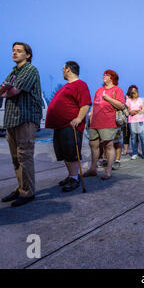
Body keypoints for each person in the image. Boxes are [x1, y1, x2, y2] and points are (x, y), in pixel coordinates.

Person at [0, 42, 42, 207]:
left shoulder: (30, 70)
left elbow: (13, 91)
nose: (14, 53)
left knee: (24, 156)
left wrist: (6, 89)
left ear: (28, 55)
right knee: (15, 158)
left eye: (18, 51)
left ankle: (28, 192)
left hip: (25, 118)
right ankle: (21, 187)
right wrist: (5, 89)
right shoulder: (13, 72)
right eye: (13, 51)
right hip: (11, 119)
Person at [45, 61, 91, 192]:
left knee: (71, 152)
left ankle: (74, 178)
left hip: (71, 125)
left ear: (68, 69)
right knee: (64, 152)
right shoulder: (66, 86)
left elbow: (85, 104)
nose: (62, 71)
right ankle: (71, 175)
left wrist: (78, 118)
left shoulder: (80, 84)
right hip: (60, 126)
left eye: (63, 68)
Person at [85, 70, 125, 180]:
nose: (104, 76)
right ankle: (93, 169)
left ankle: (108, 171)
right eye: (103, 74)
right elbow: (95, 104)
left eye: (107, 75)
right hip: (95, 122)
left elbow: (121, 105)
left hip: (108, 122)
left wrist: (108, 98)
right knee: (93, 144)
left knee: (108, 145)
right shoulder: (99, 90)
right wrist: (91, 115)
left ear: (112, 78)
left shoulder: (117, 90)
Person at [126, 86, 144, 161]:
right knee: (133, 138)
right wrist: (131, 112)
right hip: (132, 121)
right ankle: (134, 153)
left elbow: (142, 109)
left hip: (140, 120)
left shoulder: (140, 100)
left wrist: (137, 111)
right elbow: (126, 110)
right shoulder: (128, 100)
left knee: (143, 137)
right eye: (132, 91)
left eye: (135, 91)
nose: (134, 92)